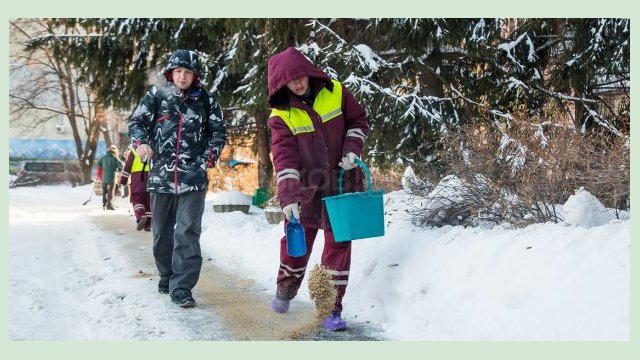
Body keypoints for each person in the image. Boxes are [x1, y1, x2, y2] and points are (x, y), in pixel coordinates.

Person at [266, 47, 369, 331]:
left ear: (309, 72)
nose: (299, 83)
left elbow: (358, 122)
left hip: (342, 184)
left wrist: (351, 149)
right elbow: (284, 158)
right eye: (291, 80)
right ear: (281, 84)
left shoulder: (335, 91)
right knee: (296, 248)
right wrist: (288, 196)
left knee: (339, 247)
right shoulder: (281, 115)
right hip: (305, 192)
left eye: (301, 76)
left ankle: (329, 309)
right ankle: (285, 289)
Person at [128, 49, 227, 308]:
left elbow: (218, 133)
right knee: (161, 233)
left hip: (193, 179)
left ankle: (182, 287)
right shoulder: (157, 95)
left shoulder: (206, 100)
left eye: (188, 72)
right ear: (170, 73)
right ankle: (167, 275)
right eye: (178, 71)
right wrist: (140, 143)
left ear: (195, 75)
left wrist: (207, 158)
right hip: (161, 177)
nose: (182, 76)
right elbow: (137, 123)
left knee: (187, 232)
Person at [119, 145, 151, 231]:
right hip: (151, 179)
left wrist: (123, 180)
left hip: (137, 180)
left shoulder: (134, 151)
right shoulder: (151, 148)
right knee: (148, 203)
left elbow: (127, 167)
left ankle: (141, 216)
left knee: (137, 200)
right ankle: (148, 225)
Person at [97, 144, 124, 210]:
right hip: (112, 177)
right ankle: (109, 205)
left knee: (104, 191)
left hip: (104, 177)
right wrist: (118, 169)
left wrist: (103, 167)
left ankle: (104, 204)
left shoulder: (104, 157)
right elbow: (121, 165)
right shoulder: (115, 157)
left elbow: (99, 163)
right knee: (111, 191)